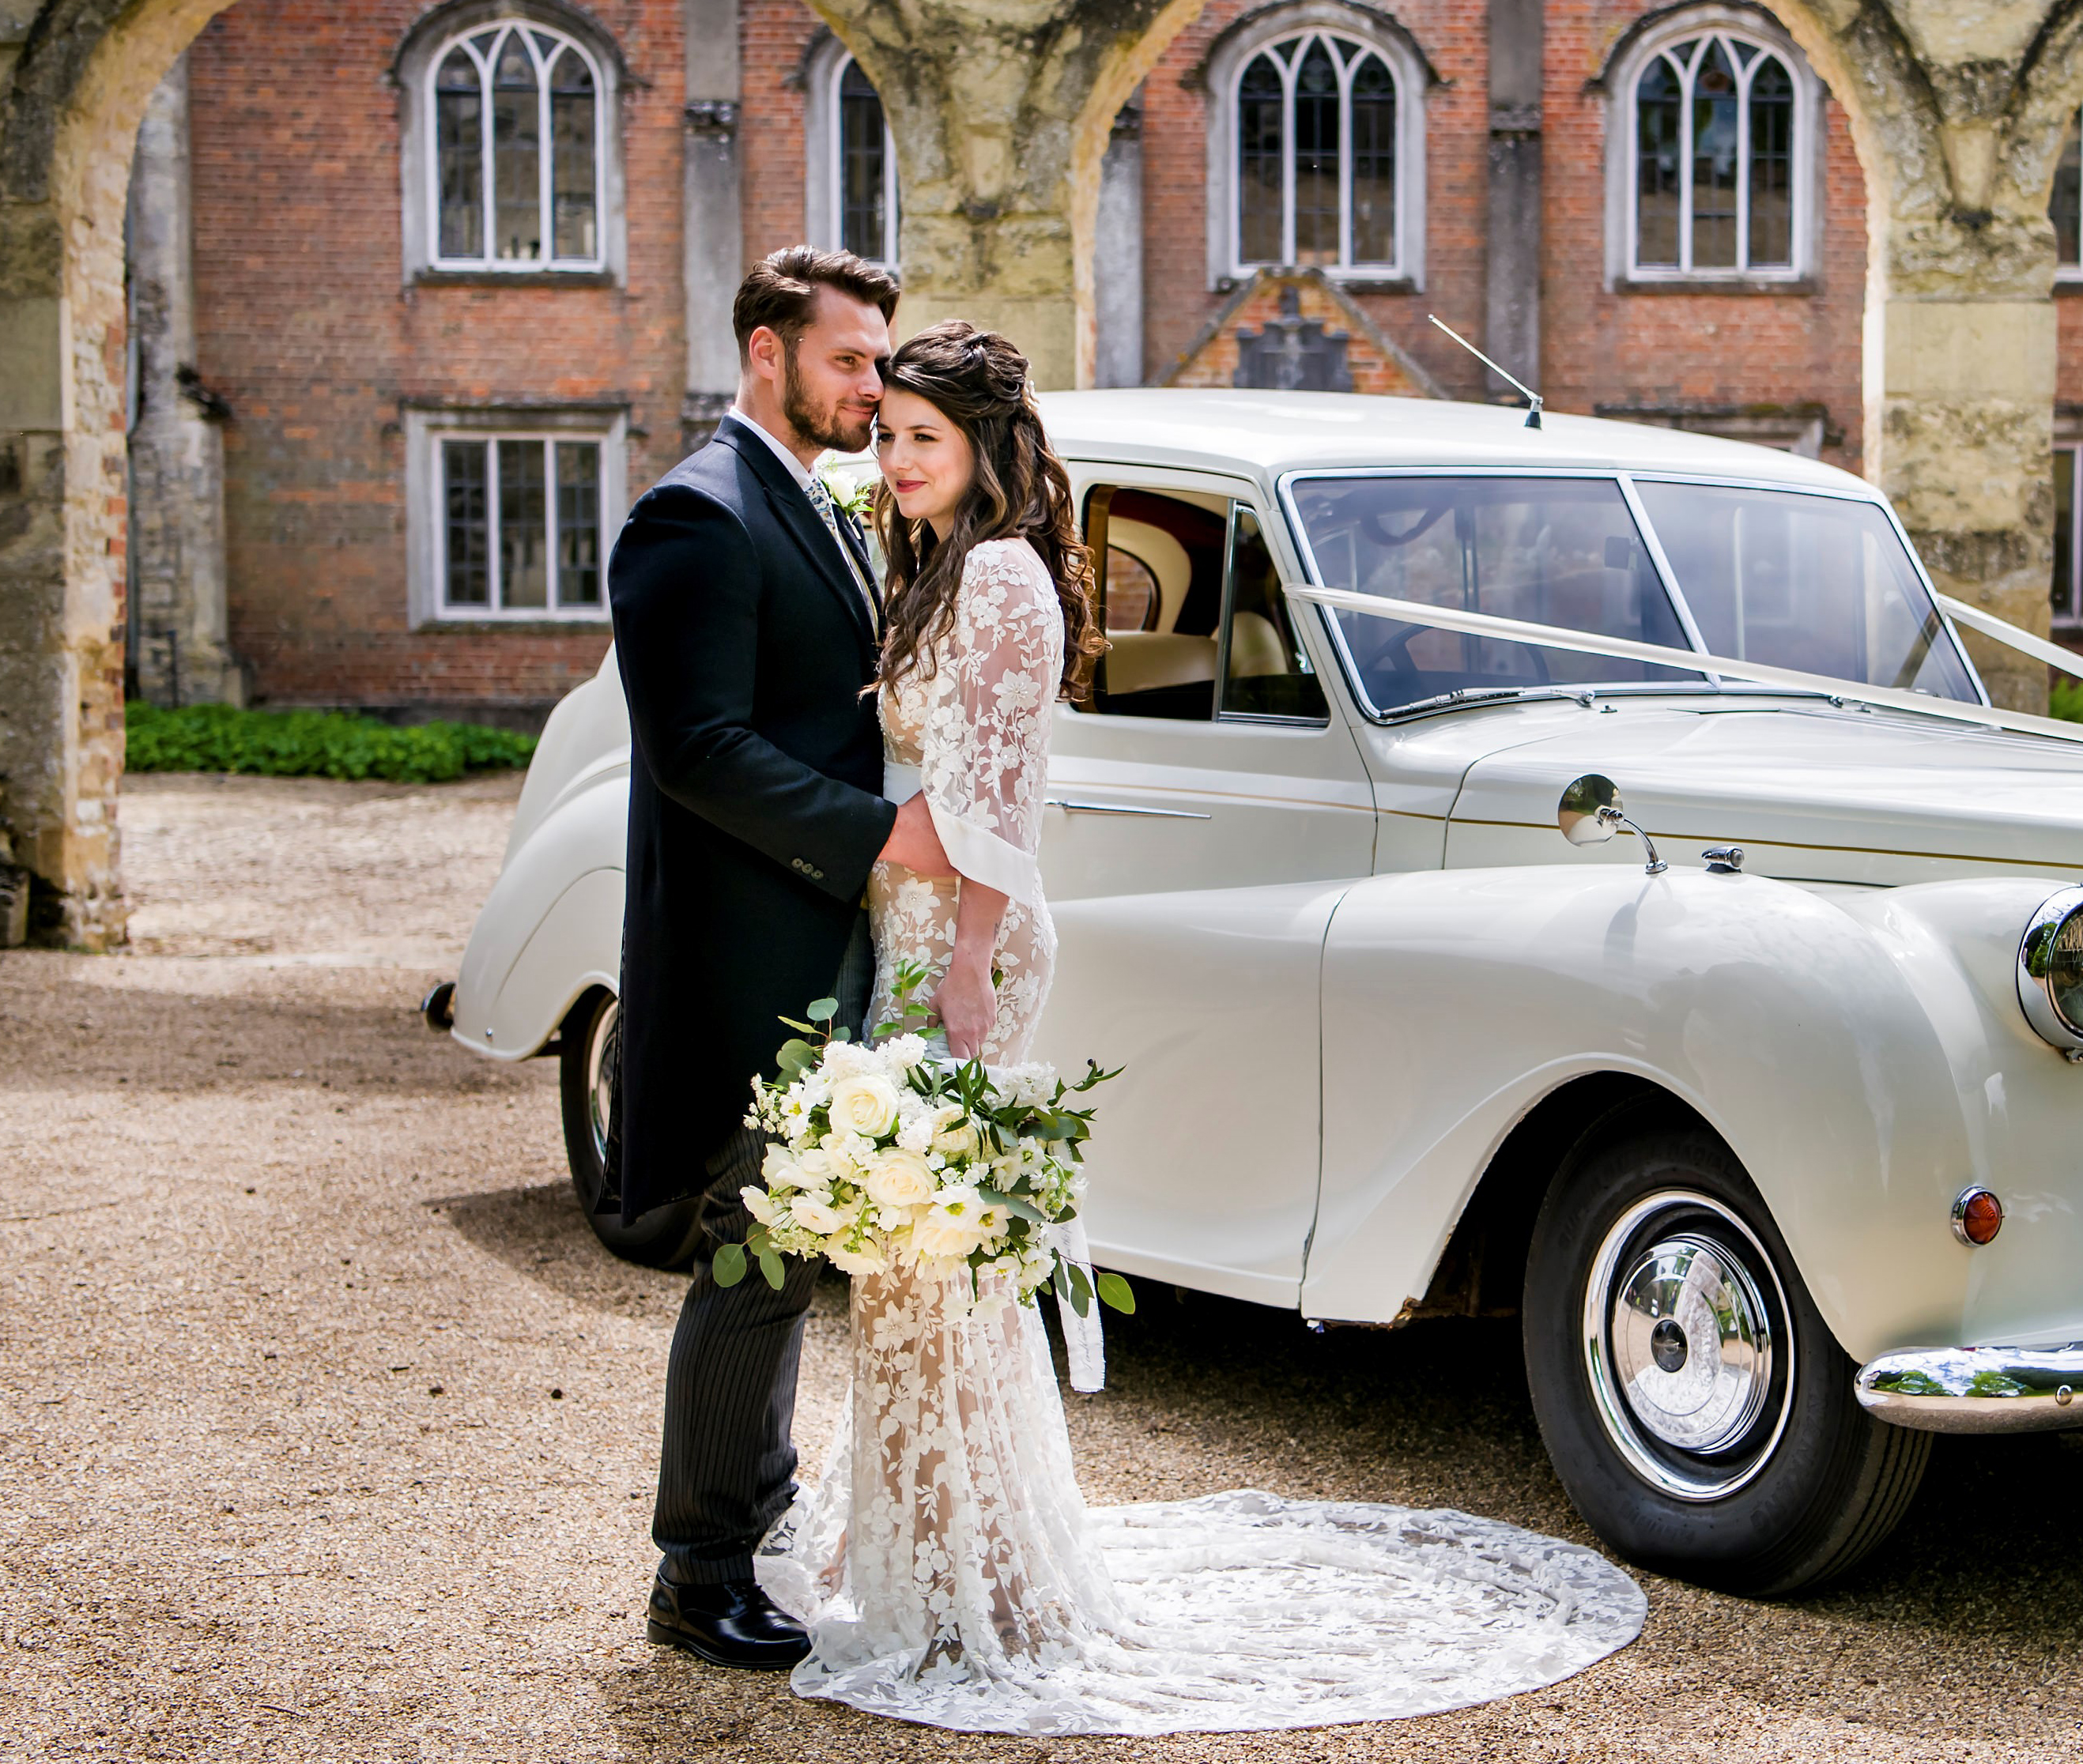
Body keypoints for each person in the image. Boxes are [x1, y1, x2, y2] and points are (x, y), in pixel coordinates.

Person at [748, 320, 1644, 1736]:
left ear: (985, 444)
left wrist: (968, 969)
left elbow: (994, 795)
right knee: (918, 1268)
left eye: (924, 438)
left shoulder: (997, 574)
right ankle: (933, 1553)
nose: (894, 457)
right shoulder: (939, 560)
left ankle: (974, 1579)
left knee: (937, 1259)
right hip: (915, 923)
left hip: (963, 936)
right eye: (890, 435)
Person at [608, 246, 957, 1671]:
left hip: (829, 948)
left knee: (789, 1258)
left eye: (879, 360)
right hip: (755, 954)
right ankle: (694, 1574)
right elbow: (697, 750)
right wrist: (883, 839)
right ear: (768, 352)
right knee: (751, 1265)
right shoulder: (692, 518)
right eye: (850, 360)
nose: (872, 387)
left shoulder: (813, 495)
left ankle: (753, 1519)